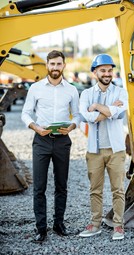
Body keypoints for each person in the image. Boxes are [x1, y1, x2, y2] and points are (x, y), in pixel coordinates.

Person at [21, 50, 80, 242]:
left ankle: (59, 224)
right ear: (47, 65)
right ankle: (41, 228)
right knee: (39, 187)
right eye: (52, 64)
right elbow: (25, 114)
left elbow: (78, 115)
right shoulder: (36, 88)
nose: (55, 68)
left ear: (64, 65)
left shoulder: (71, 89)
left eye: (59, 64)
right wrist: (36, 127)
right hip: (42, 141)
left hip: (62, 141)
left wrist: (71, 127)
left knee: (61, 186)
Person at [79, 54, 128, 240]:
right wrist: (109, 109)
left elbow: (119, 114)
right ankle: (95, 224)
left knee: (118, 189)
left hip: (116, 150)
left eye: (109, 70)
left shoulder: (121, 93)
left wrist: (97, 106)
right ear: (94, 73)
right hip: (95, 151)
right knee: (95, 189)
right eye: (102, 70)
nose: (107, 74)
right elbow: (87, 118)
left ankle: (118, 226)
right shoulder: (85, 94)